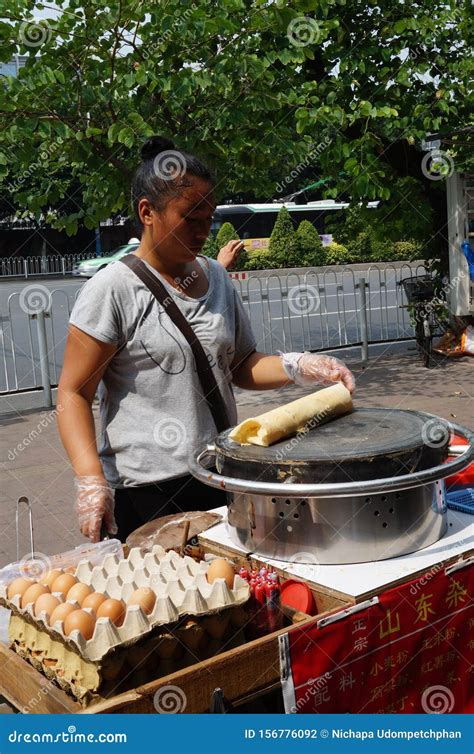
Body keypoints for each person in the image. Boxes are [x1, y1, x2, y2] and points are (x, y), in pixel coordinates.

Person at [57, 136, 355, 544]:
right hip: (147, 489)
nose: (202, 231)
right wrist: (91, 481)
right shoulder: (112, 290)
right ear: (148, 212)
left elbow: (241, 365)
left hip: (219, 471)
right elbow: (74, 392)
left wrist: (298, 366)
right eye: (189, 218)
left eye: (208, 219)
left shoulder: (216, 276)